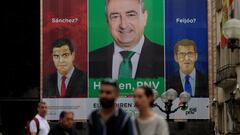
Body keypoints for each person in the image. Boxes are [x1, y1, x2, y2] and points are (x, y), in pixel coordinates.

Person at [89, 0, 164, 79]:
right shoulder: (91, 60)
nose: (123, 25)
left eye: (131, 15)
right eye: (115, 16)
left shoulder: (165, 57)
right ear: (107, 21)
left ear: (144, 17)